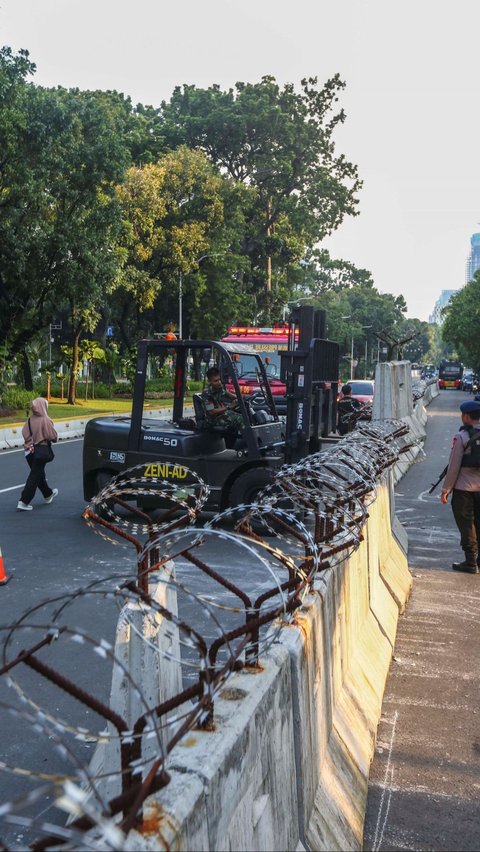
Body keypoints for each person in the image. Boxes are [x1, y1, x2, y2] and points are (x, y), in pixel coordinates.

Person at [440, 399, 480, 573]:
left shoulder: (462, 436)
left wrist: (446, 489)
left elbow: (454, 466)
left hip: (464, 489)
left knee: (467, 524)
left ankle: (470, 562)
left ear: (466, 416)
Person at [17, 397, 59, 511]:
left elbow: (24, 432)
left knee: (39, 474)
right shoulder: (46, 420)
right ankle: (23, 501)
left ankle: (48, 494)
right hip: (40, 452)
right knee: (35, 476)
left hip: (29, 452)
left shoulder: (29, 420)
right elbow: (52, 437)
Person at [201, 367, 244, 433]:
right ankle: (250, 441)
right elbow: (211, 412)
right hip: (213, 420)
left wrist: (240, 398)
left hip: (222, 415)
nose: (219, 382)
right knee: (241, 419)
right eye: (215, 381)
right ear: (209, 381)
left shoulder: (218, 388)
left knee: (246, 416)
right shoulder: (207, 393)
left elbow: (229, 395)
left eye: (219, 380)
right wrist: (228, 407)